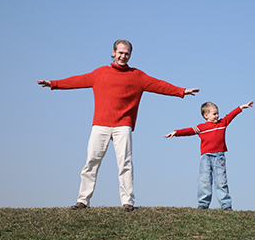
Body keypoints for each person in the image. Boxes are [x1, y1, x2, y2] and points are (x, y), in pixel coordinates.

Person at [38, 40, 199, 211]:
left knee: (125, 164)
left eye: (126, 53)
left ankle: (127, 202)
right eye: (120, 53)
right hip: (100, 125)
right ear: (113, 53)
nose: (123, 56)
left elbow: (158, 85)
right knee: (92, 162)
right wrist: (54, 84)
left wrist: (181, 91)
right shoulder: (100, 73)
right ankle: (82, 200)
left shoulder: (137, 76)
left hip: (123, 126)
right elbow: (77, 81)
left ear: (130, 55)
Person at [164, 101, 254, 211]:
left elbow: (231, 115)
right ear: (206, 115)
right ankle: (203, 204)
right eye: (214, 114)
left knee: (221, 181)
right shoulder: (201, 128)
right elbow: (189, 131)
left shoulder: (222, 124)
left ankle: (226, 205)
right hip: (206, 157)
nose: (217, 116)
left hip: (219, 157)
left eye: (217, 113)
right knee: (204, 181)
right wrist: (176, 132)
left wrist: (241, 107)